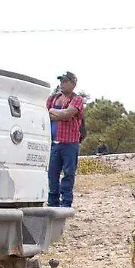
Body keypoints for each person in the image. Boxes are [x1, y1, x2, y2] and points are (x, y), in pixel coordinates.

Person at [46, 72, 85, 208]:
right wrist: (60, 114)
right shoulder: (53, 98)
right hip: (54, 142)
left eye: (65, 81)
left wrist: (53, 112)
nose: (62, 84)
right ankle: (53, 202)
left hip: (70, 142)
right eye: (61, 81)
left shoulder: (77, 99)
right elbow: (46, 114)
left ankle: (66, 202)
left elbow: (68, 114)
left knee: (68, 174)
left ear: (73, 84)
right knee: (52, 174)